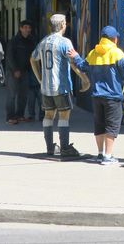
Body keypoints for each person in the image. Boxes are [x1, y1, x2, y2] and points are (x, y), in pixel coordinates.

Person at [70, 26, 124, 165]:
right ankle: (108, 157)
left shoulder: (93, 53)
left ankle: (100, 154)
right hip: (113, 97)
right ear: (114, 39)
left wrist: (76, 56)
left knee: (99, 125)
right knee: (112, 126)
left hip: (97, 97)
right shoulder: (117, 53)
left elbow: (83, 66)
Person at [30, 14, 81, 158]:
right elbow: (73, 62)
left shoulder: (43, 41)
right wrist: (84, 78)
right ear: (63, 24)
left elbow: (33, 59)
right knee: (64, 116)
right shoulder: (65, 42)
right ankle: (65, 147)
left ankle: (50, 148)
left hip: (46, 87)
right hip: (62, 87)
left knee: (48, 115)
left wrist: (40, 78)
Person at [6, 20, 37, 125]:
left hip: (26, 71)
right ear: (21, 28)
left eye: (29, 28)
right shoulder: (14, 41)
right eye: (26, 27)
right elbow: (10, 57)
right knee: (12, 95)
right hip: (13, 72)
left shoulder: (31, 40)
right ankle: (10, 117)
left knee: (23, 95)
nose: (28, 30)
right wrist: (15, 70)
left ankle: (20, 115)